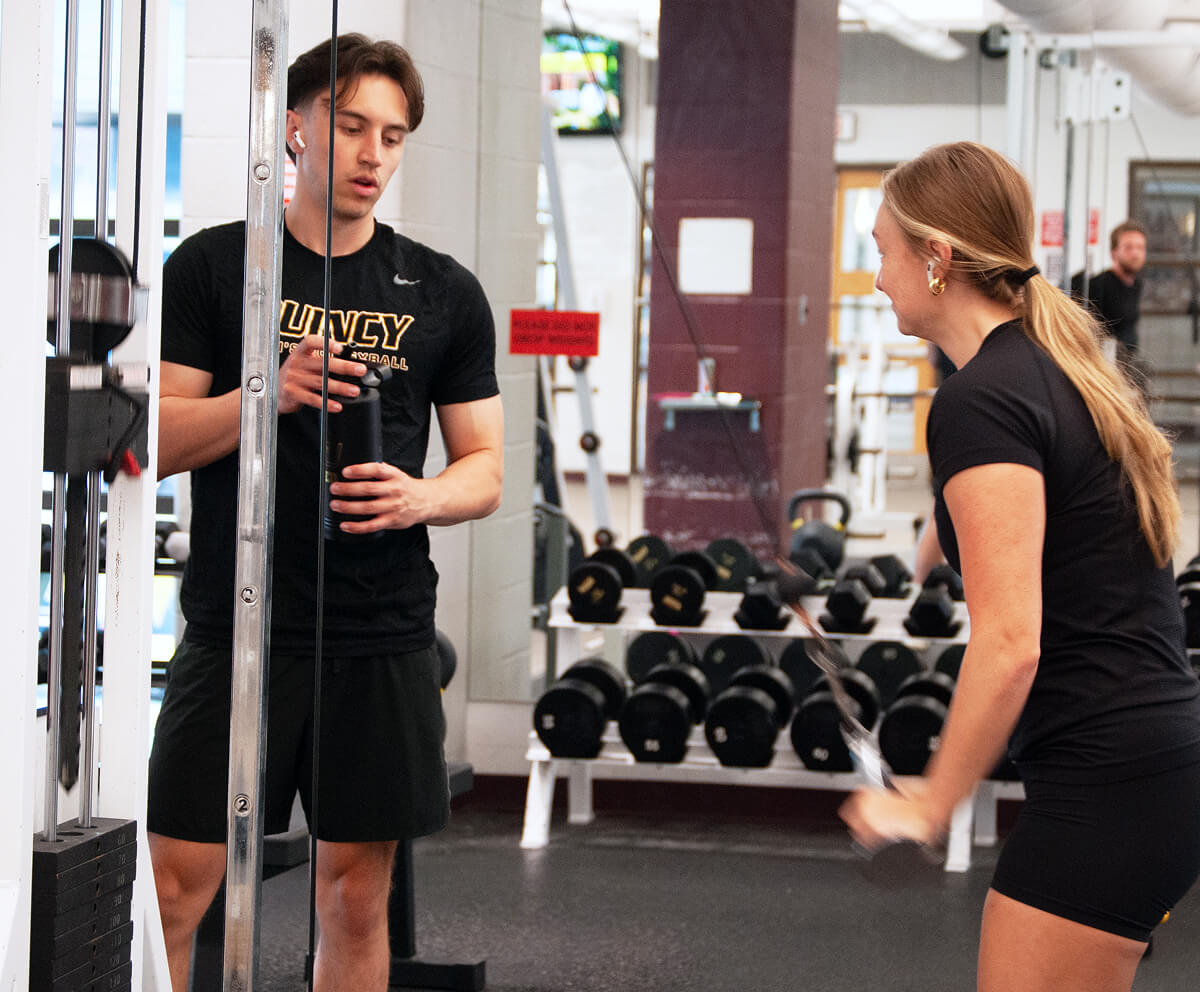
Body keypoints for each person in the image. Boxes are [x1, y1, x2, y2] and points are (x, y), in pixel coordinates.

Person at [147, 34, 504, 992]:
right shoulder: (215, 268)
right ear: (296, 127)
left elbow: (485, 470)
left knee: (354, 896)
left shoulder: (442, 290)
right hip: (237, 628)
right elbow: (159, 439)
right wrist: (266, 391)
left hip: (377, 629)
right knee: (175, 890)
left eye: (392, 135)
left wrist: (421, 496)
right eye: (351, 127)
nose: (372, 153)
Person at [841, 141, 1200, 992]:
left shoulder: (980, 402)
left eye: (885, 252)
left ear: (938, 257)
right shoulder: (1048, 371)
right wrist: (931, 546)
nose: (878, 278)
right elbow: (1040, 518)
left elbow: (1010, 645)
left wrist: (932, 803)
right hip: (1146, 762)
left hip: (1107, 780)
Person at [1070, 219, 1147, 359]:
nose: (1135, 254)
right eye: (1128, 247)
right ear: (1114, 252)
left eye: (1140, 248)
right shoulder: (1098, 285)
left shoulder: (1136, 285)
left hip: (1125, 362)